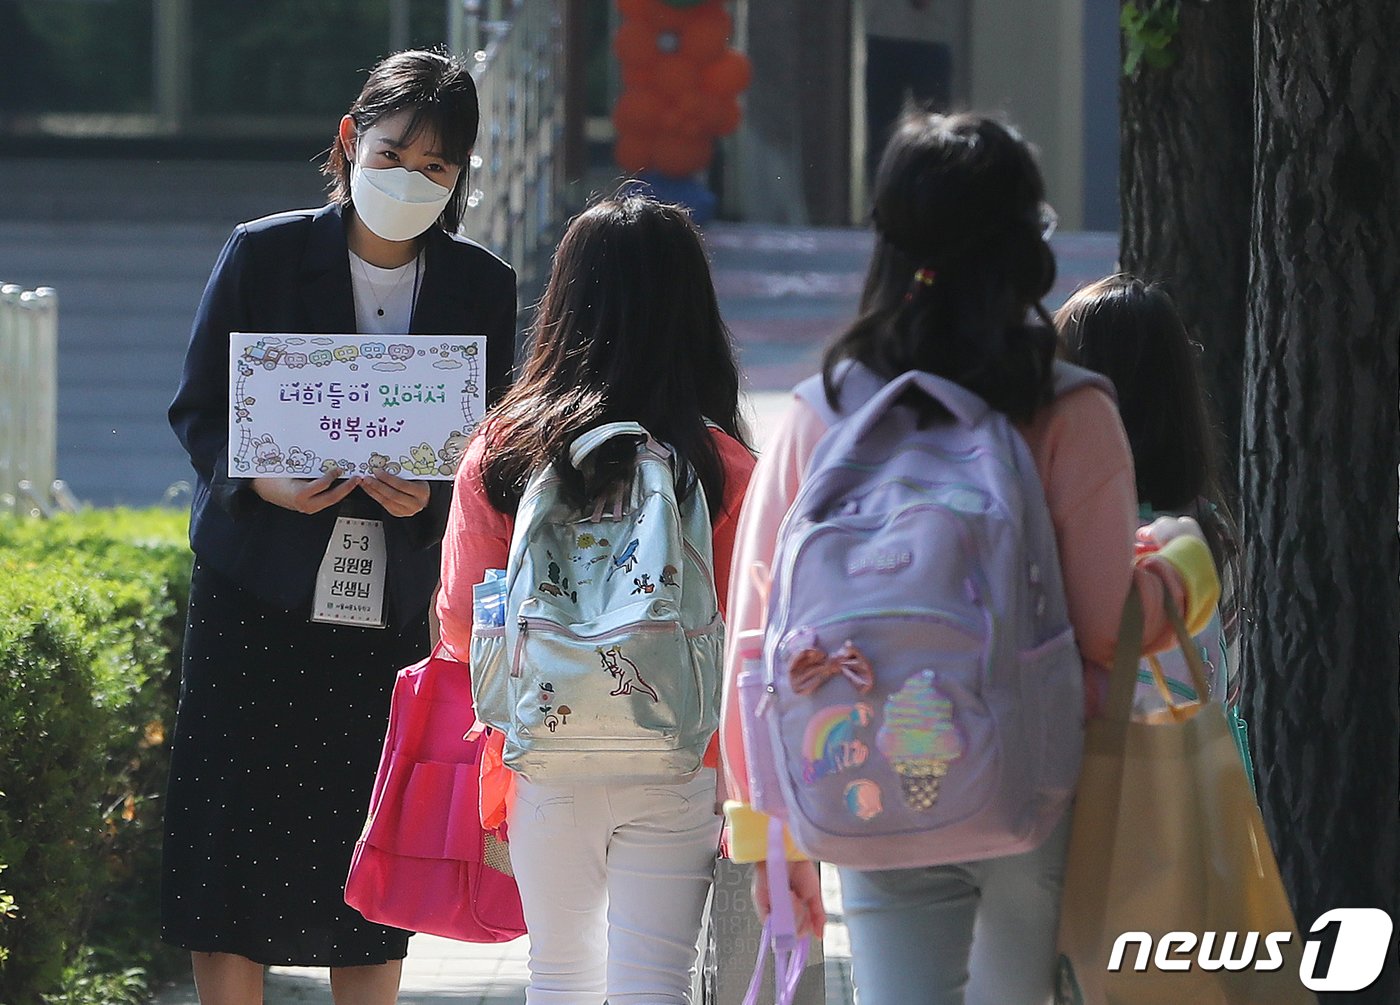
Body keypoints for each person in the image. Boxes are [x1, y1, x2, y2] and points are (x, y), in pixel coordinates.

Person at [717, 111, 1221, 1004]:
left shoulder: (820, 411)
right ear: (1024, 241)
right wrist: (1183, 566)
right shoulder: (1068, 406)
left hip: (859, 770)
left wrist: (766, 833)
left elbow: (757, 638)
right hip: (1032, 779)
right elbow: (1107, 627)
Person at [163, 49, 517, 1005]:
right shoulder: (263, 254)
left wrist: (435, 502)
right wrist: (262, 484)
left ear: (460, 180)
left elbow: (497, 452)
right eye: (396, 153)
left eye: (439, 168)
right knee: (228, 837)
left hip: (392, 604)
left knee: (371, 832)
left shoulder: (481, 286)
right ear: (351, 141)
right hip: (256, 591)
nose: (413, 180)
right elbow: (201, 411)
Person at [436, 195, 756, 1004]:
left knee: (561, 975)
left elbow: (458, 628)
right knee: (656, 982)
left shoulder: (503, 453)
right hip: (680, 754)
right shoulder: (720, 464)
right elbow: (753, 638)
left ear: (566, 301)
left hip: (545, 749)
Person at [1055, 275, 1248, 747]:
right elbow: (1232, 687)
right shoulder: (1207, 531)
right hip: (1177, 799)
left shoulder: (1059, 526)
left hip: (1076, 787)